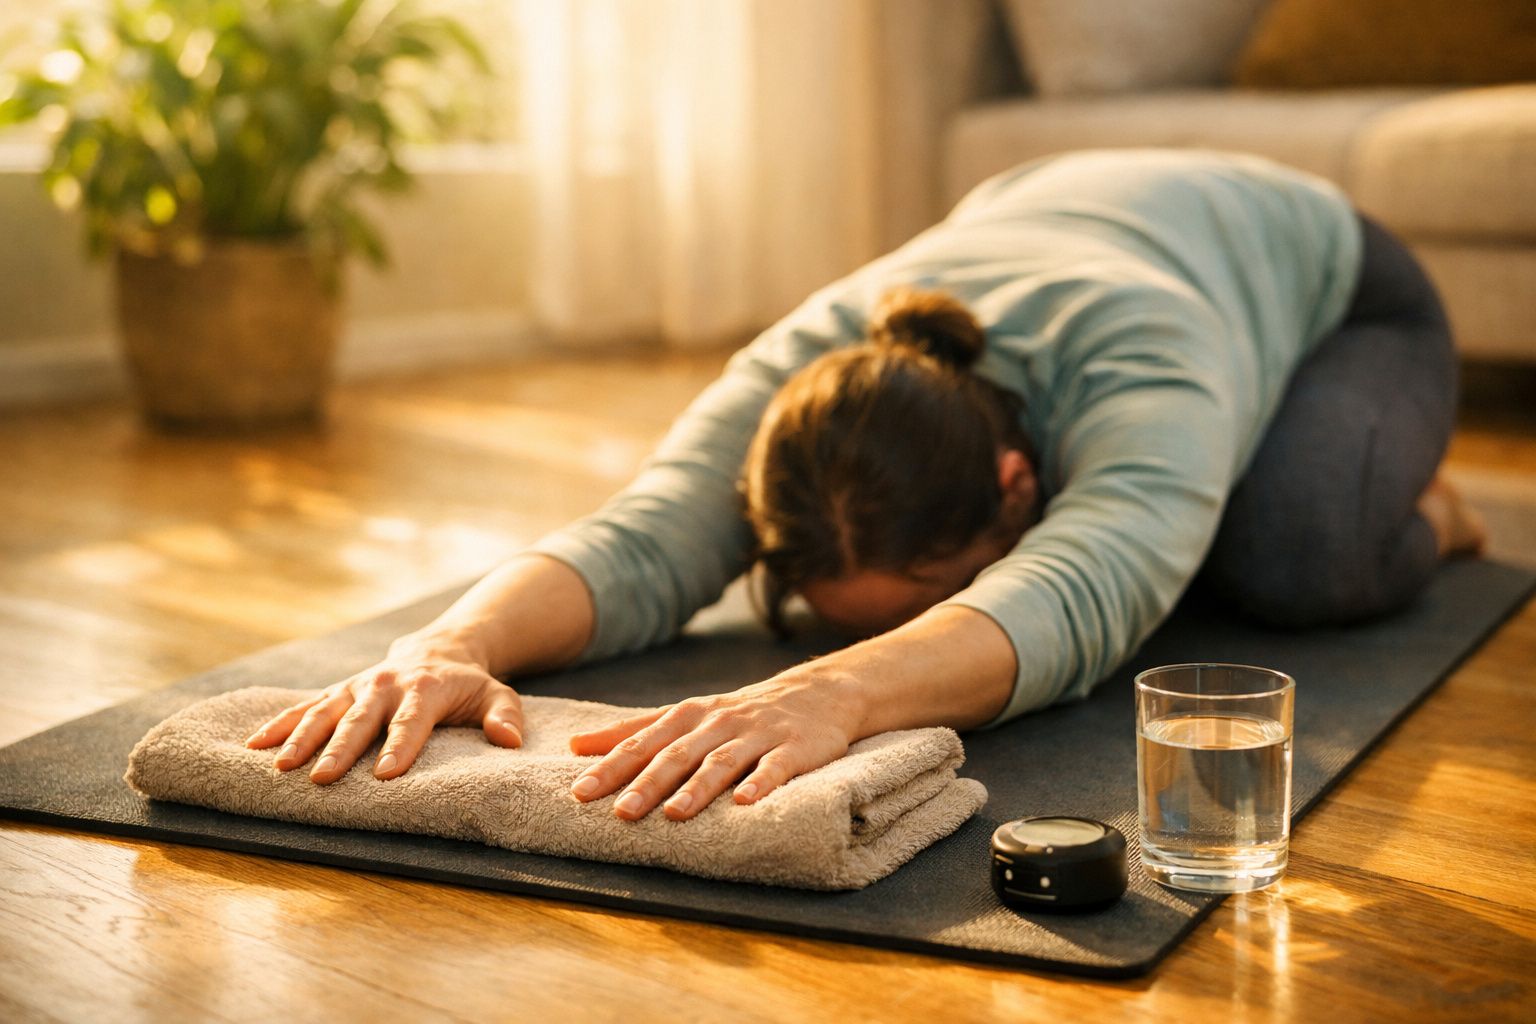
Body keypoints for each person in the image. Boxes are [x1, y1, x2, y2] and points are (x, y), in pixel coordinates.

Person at [244, 148, 1486, 824]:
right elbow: (639, 541)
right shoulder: (803, 371)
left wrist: (831, 691)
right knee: (1195, 536)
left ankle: (1423, 500)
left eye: (918, 609)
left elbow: (1089, 582)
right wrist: (444, 643)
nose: (890, 644)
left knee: (1291, 552)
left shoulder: (1144, 355)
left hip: (1342, 292)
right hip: (1085, 225)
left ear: (1016, 490)